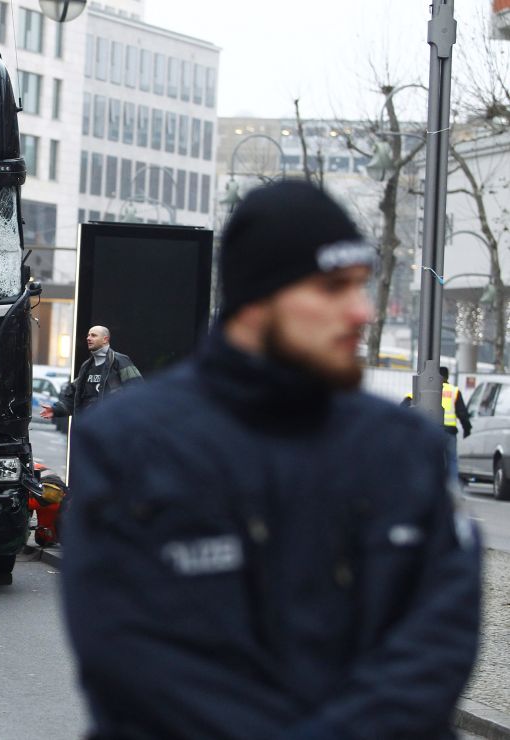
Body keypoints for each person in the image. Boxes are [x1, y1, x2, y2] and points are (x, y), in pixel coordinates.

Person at [63, 180, 480, 739]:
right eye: (334, 288)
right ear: (258, 302)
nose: (360, 311)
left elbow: (434, 647)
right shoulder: (129, 446)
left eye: (360, 286)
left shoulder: (403, 449)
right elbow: (130, 657)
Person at [39, 326, 141, 423]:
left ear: (105, 339)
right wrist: (55, 410)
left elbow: (137, 390)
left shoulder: (120, 360)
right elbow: (73, 395)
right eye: (88, 335)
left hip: (112, 427)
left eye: (93, 335)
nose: (88, 338)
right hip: (88, 428)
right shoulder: (86, 366)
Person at [403, 367, 472, 481]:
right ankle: (452, 488)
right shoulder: (454, 391)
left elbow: (403, 407)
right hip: (449, 432)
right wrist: (467, 429)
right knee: (451, 460)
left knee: (428, 458)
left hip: (429, 430)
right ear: (447, 377)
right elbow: (462, 413)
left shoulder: (422, 389)